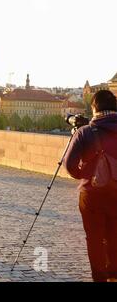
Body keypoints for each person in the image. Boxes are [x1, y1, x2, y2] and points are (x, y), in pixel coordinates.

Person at [64, 90, 117, 282]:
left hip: (92, 194)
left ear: (94, 108)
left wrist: (85, 176)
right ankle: (114, 275)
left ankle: (100, 278)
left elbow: (69, 164)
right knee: (115, 236)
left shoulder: (84, 132)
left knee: (94, 238)